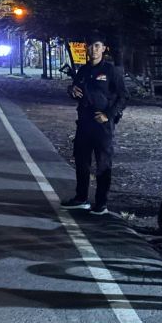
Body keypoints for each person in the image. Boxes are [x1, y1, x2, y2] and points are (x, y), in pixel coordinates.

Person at [60, 38, 126, 215]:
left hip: (102, 124)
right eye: (90, 46)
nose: (93, 50)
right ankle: (81, 198)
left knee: (103, 163)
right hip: (84, 122)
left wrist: (108, 115)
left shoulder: (111, 71)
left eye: (97, 46)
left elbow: (123, 97)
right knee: (82, 161)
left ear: (104, 48)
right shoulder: (83, 70)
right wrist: (72, 90)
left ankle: (101, 203)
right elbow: (77, 91)